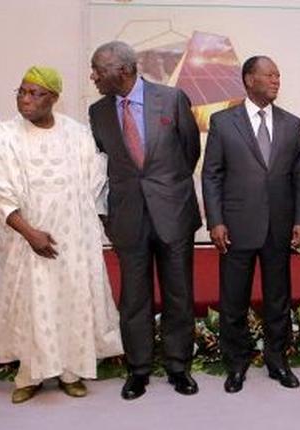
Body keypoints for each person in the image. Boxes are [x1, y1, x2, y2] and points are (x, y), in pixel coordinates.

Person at [0, 66, 123, 403]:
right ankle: (29, 375)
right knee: (31, 305)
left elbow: (94, 187)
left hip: (71, 243)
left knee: (71, 301)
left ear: (54, 99)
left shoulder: (77, 134)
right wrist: (30, 232)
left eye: (36, 94)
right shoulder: (4, 137)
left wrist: (88, 231)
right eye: (22, 91)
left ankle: (71, 371)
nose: (26, 100)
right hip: (24, 242)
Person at [89, 41, 201, 400]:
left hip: (172, 212)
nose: (93, 76)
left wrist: (165, 188)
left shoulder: (171, 99)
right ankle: (138, 369)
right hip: (128, 217)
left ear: (122, 70)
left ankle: (178, 365)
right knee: (134, 297)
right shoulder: (98, 112)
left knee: (178, 293)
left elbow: (189, 152)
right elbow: (103, 163)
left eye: (98, 70)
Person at [202, 56, 300, 393]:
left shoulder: (292, 124)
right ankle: (236, 362)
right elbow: (212, 174)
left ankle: (278, 360)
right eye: (270, 75)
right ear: (249, 79)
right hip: (235, 226)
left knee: (278, 298)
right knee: (234, 299)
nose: (277, 80)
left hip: (279, 226)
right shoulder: (222, 122)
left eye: (279, 75)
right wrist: (215, 220)